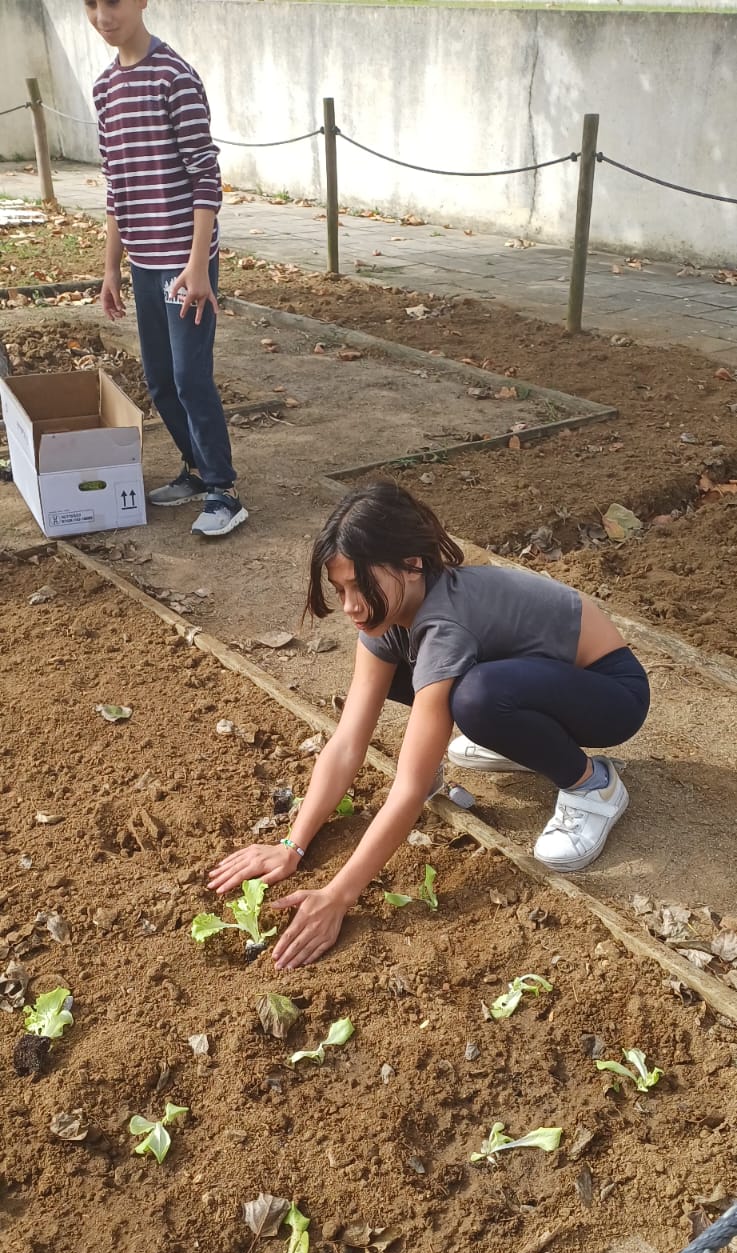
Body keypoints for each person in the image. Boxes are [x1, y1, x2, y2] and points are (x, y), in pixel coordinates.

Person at [209, 482, 650, 969]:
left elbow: (411, 785)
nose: (352, 606)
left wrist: (339, 894)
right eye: (341, 590)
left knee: (477, 698)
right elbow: (348, 742)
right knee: (459, 691)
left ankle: (592, 784)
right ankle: (518, 737)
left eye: (362, 585)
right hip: (539, 681)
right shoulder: (389, 616)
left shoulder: (444, 625)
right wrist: (292, 845)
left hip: (611, 696)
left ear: (412, 563)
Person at [88, 0, 247, 538]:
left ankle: (225, 490)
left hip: (185, 264)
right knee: (158, 381)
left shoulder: (174, 76)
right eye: (90, 4)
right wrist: (111, 268)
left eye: (111, 2)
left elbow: (206, 176)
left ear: (140, 2)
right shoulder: (105, 88)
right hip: (143, 263)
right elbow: (116, 185)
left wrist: (198, 265)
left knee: (189, 377)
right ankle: (198, 470)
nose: (102, 15)